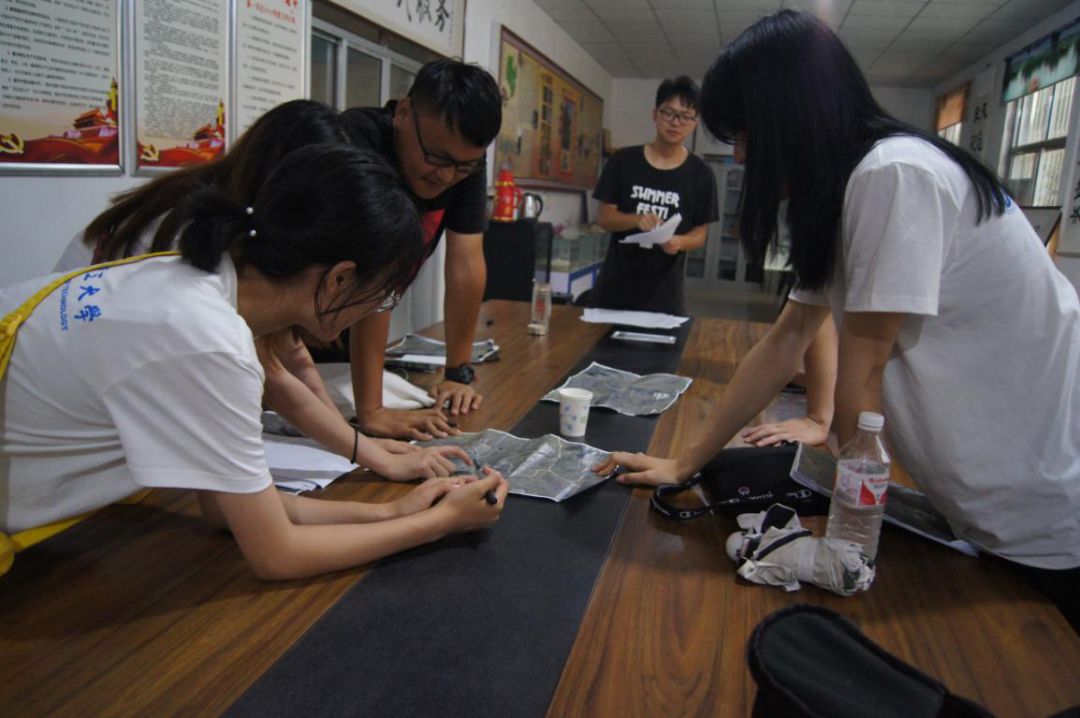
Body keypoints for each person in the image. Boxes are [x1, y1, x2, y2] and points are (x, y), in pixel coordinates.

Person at [595, 11, 1080, 626]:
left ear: (789, 119)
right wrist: (684, 463)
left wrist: (846, 541)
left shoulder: (893, 174)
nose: (739, 156)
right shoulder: (851, 188)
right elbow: (786, 340)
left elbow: (863, 377)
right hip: (982, 500)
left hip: (1040, 510)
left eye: (743, 136)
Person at [1, 144, 508, 580]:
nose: (377, 309)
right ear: (338, 279)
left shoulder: (200, 280)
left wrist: (392, 513)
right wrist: (437, 524)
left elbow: (225, 505)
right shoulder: (212, 341)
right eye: (382, 294)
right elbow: (275, 554)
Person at [53, 100, 464, 480]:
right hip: (80, 429)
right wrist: (368, 455)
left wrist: (358, 446)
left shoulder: (239, 238)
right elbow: (273, 377)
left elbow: (287, 355)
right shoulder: (196, 244)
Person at [339, 59, 502, 440]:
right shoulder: (357, 141)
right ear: (403, 113)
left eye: (463, 167)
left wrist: (457, 372)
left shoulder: (462, 162)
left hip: (348, 333)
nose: (445, 175)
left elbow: (465, 265)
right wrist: (372, 411)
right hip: (301, 327)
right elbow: (374, 276)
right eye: (436, 158)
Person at [591, 76, 718, 315]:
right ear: (655, 114)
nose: (675, 122)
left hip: (665, 296)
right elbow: (604, 218)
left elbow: (700, 233)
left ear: (694, 123)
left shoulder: (701, 174)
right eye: (668, 112)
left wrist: (679, 242)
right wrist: (636, 219)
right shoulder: (622, 161)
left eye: (685, 116)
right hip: (614, 290)